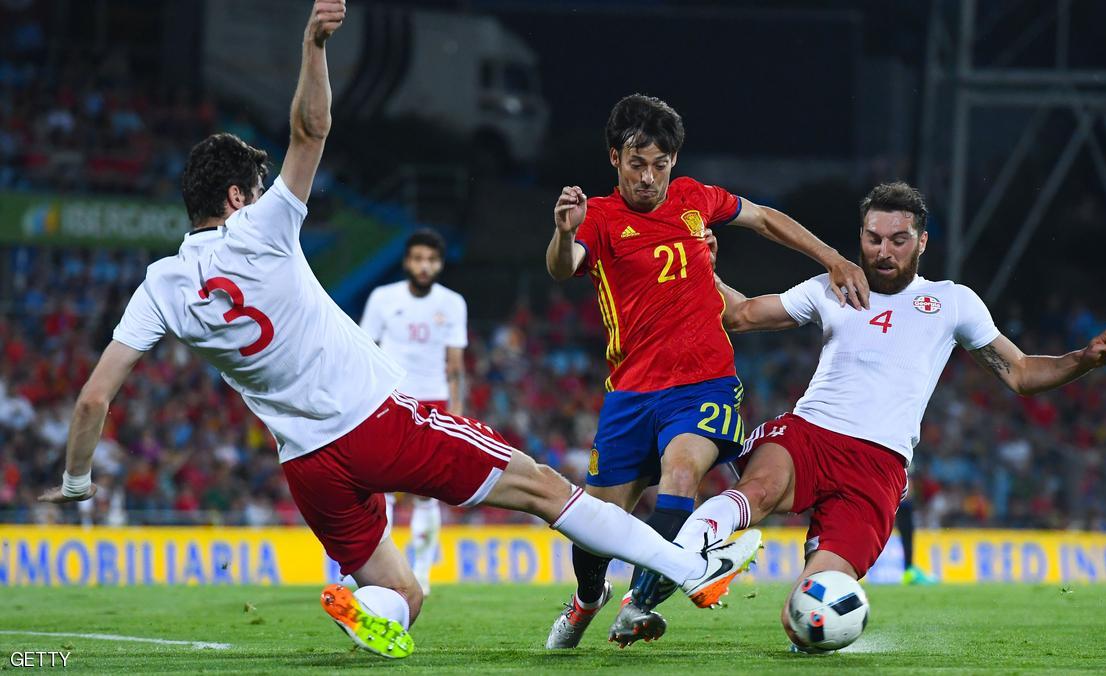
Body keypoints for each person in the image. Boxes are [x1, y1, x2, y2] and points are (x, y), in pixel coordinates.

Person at [35, 1, 763, 661]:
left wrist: (75, 481)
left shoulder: (160, 285)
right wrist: (314, 47)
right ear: (236, 197)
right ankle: (690, 567)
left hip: (308, 466)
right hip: (379, 422)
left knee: (402, 595)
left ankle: (368, 604)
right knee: (545, 489)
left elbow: (95, 398)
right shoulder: (262, 228)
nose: (262, 196)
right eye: (252, 190)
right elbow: (310, 127)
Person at [674, 180, 1106, 648]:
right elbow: (741, 315)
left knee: (806, 618)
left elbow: (1019, 373)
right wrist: (701, 269)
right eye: (873, 239)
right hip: (811, 432)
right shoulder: (831, 287)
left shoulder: (952, 301)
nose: (883, 251)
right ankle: (687, 558)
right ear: (860, 236)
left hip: (878, 467)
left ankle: (725, 572)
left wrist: (1083, 358)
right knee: (760, 488)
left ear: (922, 241)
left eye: (898, 240)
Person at [544, 93, 871, 648]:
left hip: (703, 383)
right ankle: (588, 599)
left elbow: (765, 219)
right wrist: (564, 232)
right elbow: (561, 269)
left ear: (673, 161)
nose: (649, 177)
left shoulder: (696, 199)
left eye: (660, 164)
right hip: (630, 392)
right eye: (636, 163)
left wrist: (833, 258)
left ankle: (638, 604)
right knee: (595, 525)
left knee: (680, 474)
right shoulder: (596, 218)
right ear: (614, 159)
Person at [359, 228, 467, 595]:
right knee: (380, 489)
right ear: (407, 262)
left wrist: (457, 414)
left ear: (439, 264)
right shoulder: (382, 299)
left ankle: (421, 572)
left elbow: (455, 366)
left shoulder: (452, 303)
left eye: (431, 260)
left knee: (426, 493)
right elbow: (366, 351)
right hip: (388, 399)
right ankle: (381, 571)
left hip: (433, 402)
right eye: (418, 259)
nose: (424, 266)